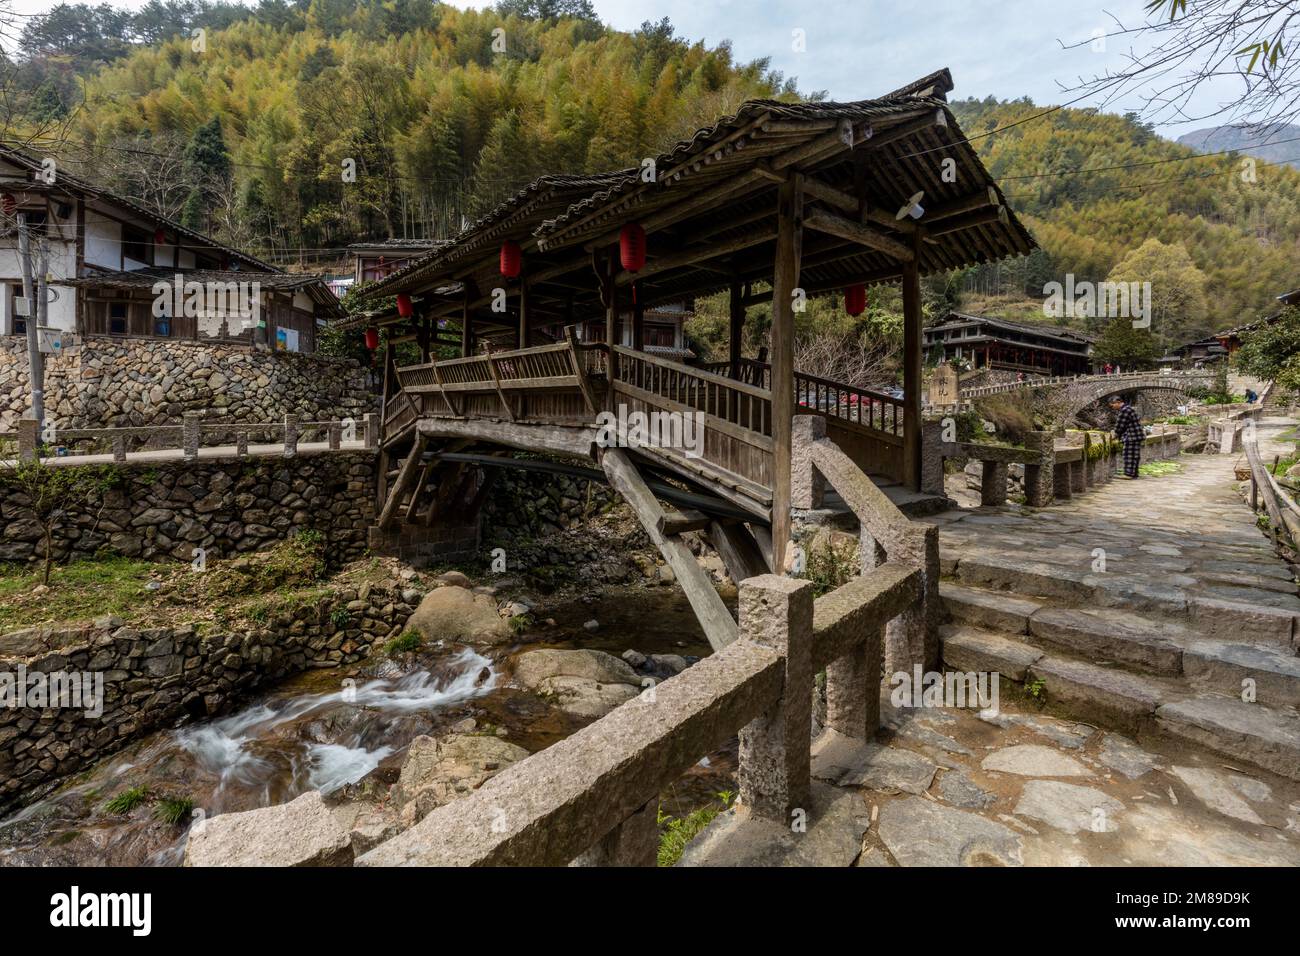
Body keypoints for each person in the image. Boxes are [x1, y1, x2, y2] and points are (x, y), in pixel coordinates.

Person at [1109, 394, 1143, 479]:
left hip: (1131, 436)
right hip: (1136, 436)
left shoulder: (1124, 410)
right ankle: (1134, 473)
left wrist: (1114, 436)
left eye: (1112, 405)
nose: (1112, 407)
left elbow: (1119, 426)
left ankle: (1128, 474)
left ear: (1118, 402)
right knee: (1135, 456)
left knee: (1128, 455)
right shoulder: (1129, 408)